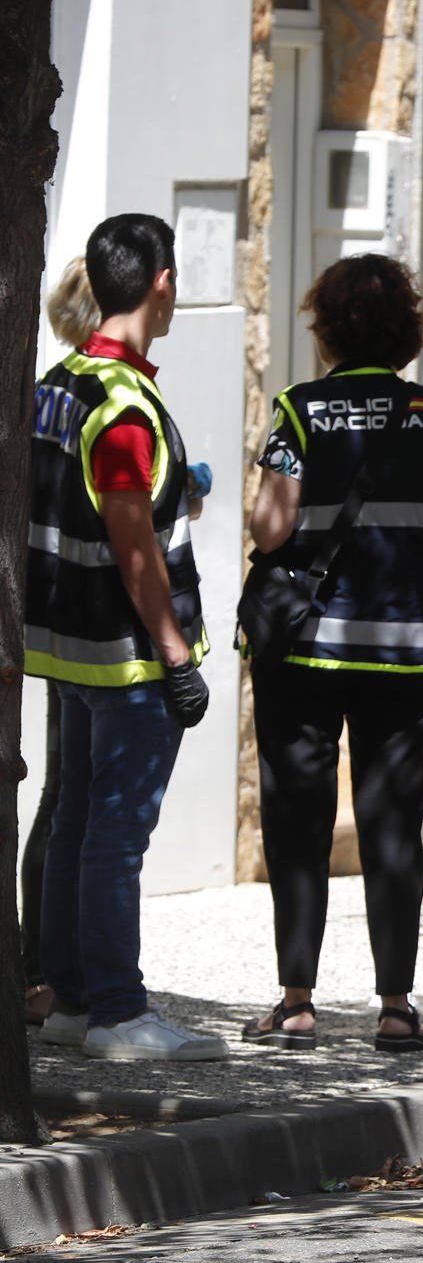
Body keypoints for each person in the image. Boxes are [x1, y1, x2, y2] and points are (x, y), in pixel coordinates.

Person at [242, 253, 423, 1052]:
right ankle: (396, 1006)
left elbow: (269, 528)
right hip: (405, 652)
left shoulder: (300, 411)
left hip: (305, 650)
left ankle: (299, 1001)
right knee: (392, 826)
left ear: (329, 328)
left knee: (297, 820)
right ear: (406, 330)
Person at [26, 214, 223, 1061]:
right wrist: (176, 654)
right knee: (116, 834)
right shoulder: (124, 408)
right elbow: (133, 545)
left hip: (67, 649)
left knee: (74, 820)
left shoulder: (58, 381)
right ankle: (117, 1012)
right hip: (126, 656)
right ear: (163, 282)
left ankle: (71, 996)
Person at [21, 257, 102, 1028]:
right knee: (71, 798)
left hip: (42, 611)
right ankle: (51, 967)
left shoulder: (41, 392)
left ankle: (41, 962)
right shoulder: (97, 393)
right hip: (86, 618)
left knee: (57, 794)